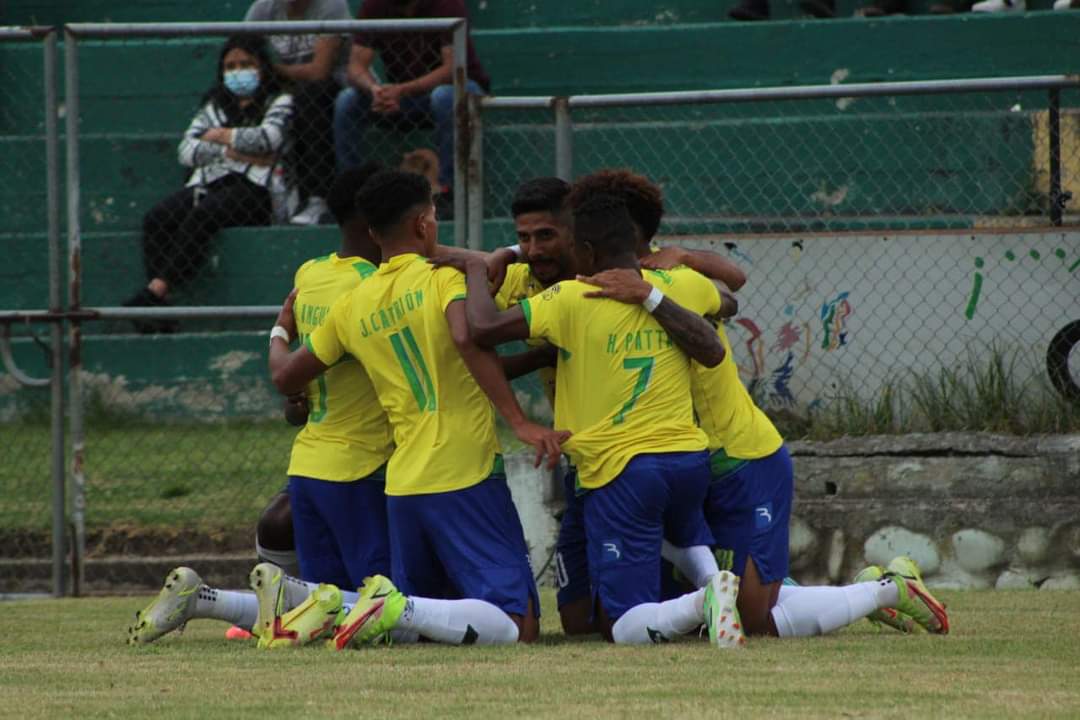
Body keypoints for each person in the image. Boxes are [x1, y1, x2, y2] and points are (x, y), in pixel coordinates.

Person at [571, 175, 951, 641]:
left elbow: (730, 290)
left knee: (757, 619)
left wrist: (681, 263)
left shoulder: (671, 284)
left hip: (742, 457)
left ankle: (887, 591)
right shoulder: (602, 290)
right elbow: (729, 292)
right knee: (725, 600)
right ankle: (864, 589)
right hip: (683, 461)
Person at [267, 170, 565, 648]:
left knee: (422, 626)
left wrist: (280, 330)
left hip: (403, 482)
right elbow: (469, 338)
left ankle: (338, 603)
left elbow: (286, 377)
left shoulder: (351, 304)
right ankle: (377, 603)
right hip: (462, 467)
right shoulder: (441, 280)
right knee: (520, 624)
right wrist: (520, 421)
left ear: (371, 232)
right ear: (424, 224)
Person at [437, 194, 747, 647]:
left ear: (582, 251)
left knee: (623, 627)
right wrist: (657, 288)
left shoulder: (572, 296)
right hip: (685, 461)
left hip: (621, 470)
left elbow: (482, 328)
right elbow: (726, 301)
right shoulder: (678, 283)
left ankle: (705, 600)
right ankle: (709, 582)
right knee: (580, 618)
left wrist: (474, 272)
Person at [123, 35, 293, 331]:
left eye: (246, 64)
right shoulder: (215, 105)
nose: (238, 71)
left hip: (256, 191)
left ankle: (154, 293)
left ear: (262, 66)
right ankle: (160, 308)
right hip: (210, 183)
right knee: (157, 219)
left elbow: (270, 138)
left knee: (204, 215)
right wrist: (236, 149)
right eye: (231, 66)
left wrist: (218, 136)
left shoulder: (279, 100)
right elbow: (186, 151)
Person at [333, 0, 491, 216]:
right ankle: (352, 195)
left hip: (456, 88)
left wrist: (402, 89)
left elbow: (451, 68)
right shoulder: (374, 6)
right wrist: (376, 90)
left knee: (443, 96)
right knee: (347, 100)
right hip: (402, 97)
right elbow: (356, 66)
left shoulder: (447, 5)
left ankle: (449, 191)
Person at [244, 0, 351, 225]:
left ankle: (317, 198)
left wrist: (271, 69)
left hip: (331, 92)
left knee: (309, 96)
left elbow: (320, 71)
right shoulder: (263, 9)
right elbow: (243, 51)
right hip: (282, 90)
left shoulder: (331, 6)